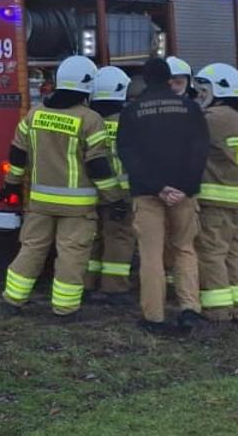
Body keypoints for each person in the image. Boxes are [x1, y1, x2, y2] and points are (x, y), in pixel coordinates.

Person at [0, 56, 121, 320]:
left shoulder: (35, 114)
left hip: (40, 203)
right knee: (71, 255)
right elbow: (98, 165)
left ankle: (11, 301)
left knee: (31, 249)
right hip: (77, 208)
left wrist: (11, 185)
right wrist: (115, 197)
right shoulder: (91, 119)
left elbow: (18, 153)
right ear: (88, 85)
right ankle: (64, 309)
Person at [115, 56, 210, 335]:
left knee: (151, 255)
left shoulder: (132, 111)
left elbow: (128, 155)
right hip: (185, 193)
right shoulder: (190, 108)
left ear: (144, 79)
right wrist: (183, 185)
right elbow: (200, 151)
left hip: (148, 193)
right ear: (170, 79)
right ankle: (190, 309)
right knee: (184, 249)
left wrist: (158, 187)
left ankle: (153, 316)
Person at [195, 64, 238, 324]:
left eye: (203, 90)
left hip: (216, 200)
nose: (200, 95)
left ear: (218, 88)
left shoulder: (214, 118)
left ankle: (217, 310)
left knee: (211, 253)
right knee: (235, 253)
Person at [85, 66, 135, 304]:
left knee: (92, 238)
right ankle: (114, 289)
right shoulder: (129, 123)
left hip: (90, 193)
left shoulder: (89, 122)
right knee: (119, 238)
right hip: (122, 195)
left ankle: (86, 283)